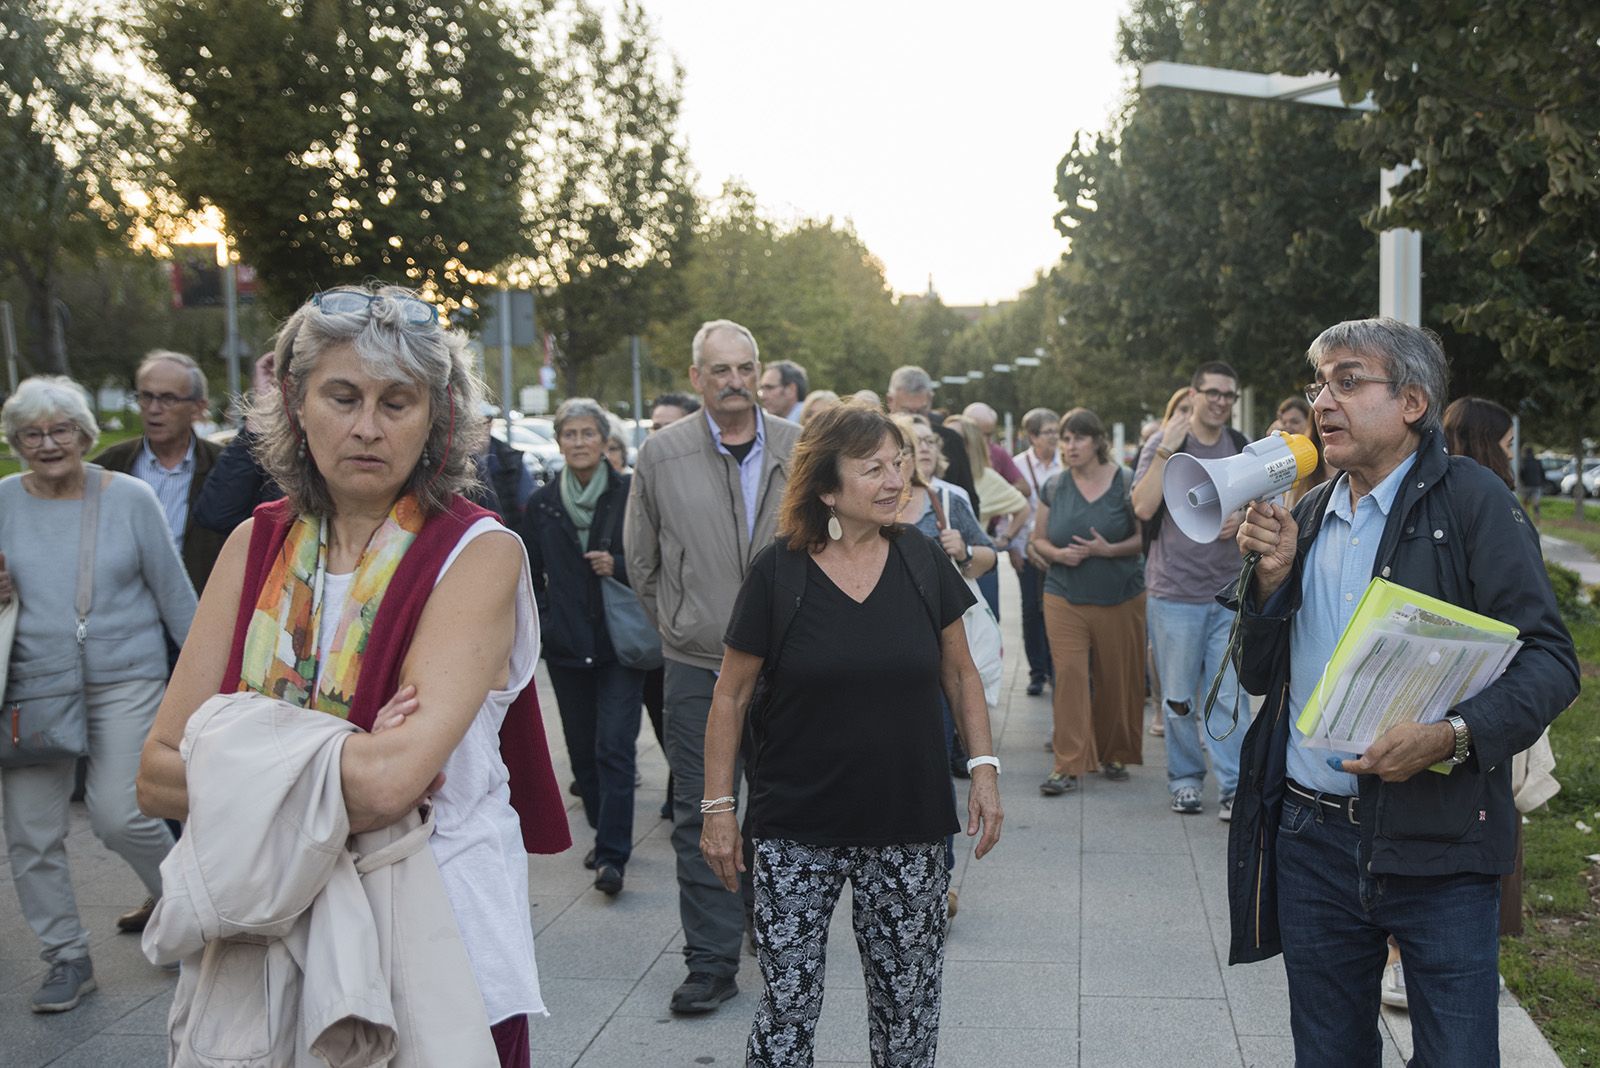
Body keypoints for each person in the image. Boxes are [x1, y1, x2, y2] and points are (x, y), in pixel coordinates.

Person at [136, 285, 569, 1067]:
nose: (368, 426)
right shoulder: (253, 545)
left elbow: (388, 787)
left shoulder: (479, 554)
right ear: (298, 404)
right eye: (343, 395)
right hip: (271, 926)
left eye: (397, 401)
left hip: (435, 931)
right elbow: (154, 776)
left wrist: (234, 738)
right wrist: (348, 749)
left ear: (437, 418)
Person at [1231, 318, 1580, 1067]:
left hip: (1441, 843)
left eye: (1348, 381)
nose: (1324, 401)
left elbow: (1552, 660)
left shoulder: (1473, 503)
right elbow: (1260, 675)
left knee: (1458, 1055)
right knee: (1328, 1055)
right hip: (1312, 838)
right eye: (1318, 383)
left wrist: (1451, 737)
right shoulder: (1313, 512)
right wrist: (1269, 581)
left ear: (1414, 401)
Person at [700, 404, 1003, 1067]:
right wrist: (718, 807)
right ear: (828, 487)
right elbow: (731, 693)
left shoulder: (922, 559)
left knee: (908, 1006)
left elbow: (960, 672)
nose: (895, 479)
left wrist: (983, 768)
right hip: (795, 826)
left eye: (899, 463)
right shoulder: (778, 572)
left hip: (909, 823)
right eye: (875, 468)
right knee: (787, 1003)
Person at [0, 375, 193, 1013]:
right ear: (16, 442)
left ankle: (181, 909)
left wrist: (206, 685)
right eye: (33, 434)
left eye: (61, 431)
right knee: (31, 833)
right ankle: (66, 957)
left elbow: (175, 594)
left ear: (85, 435)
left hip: (125, 677)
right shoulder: (1, 501)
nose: (48, 444)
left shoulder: (130, 498)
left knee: (121, 813)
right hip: (31, 687)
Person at [625, 319, 802, 1015]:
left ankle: (779, 932)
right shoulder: (661, 454)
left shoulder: (798, 447)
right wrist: (680, 626)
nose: (733, 380)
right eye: (719, 369)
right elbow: (641, 561)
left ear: (759, 374)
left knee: (785, 812)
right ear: (697, 377)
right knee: (706, 808)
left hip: (791, 669)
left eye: (744, 367)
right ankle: (710, 962)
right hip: (698, 666)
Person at [521, 398, 643, 897]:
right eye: (569, 434)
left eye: (586, 433)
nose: (578, 443)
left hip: (618, 645)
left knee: (615, 747)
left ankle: (613, 855)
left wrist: (618, 563)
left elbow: (651, 559)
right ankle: (603, 831)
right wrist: (547, 624)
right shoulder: (542, 503)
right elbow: (528, 575)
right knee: (583, 755)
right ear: (558, 442)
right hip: (568, 646)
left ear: (603, 439)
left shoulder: (628, 493)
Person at [1131, 362, 1251, 819]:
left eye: (1229, 394)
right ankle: (1184, 780)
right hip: (1174, 592)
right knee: (1179, 697)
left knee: (1228, 695)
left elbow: (1263, 504)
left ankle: (1234, 788)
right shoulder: (1164, 446)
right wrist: (1165, 449)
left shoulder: (1239, 448)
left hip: (1227, 592)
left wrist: (1241, 519)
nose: (1221, 401)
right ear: (1194, 394)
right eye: (1213, 392)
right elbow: (1142, 507)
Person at [1031, 407, 1146, 795]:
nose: (1070, 445)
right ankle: (1067, 764)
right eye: (1064, 438)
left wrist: (1108, 549)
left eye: (1078, 437)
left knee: (1117, 678)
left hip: (1120, 595)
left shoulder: (1126, 481)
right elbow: (1038, 539)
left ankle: (1114, 752)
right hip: (1063, 594)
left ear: (1098, 440)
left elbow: (1144, 539)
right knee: (1070, 677)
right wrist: (1057, 555)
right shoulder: (1054, 485)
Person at [94, 350, 226, 594]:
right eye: (146, 396)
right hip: (127, 610)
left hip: (197, 607)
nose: (154, 409)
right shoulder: (110, 465)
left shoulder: (222, 468)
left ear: (198, 408)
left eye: (168, 399)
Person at [946, 416, 1029, 620]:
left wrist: (1005, 540)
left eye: (954, 438)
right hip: (944, 571)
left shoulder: (986, 478)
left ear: (970, 444)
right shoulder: (936, 478)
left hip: (976, 568)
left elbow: (1022, 506)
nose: (945, 443)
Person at [1013, 407, 1062, 696]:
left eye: (1056, 431)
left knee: (1055, 610)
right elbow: (1011, 510)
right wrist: (1014, 548)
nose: (1054, 437)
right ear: (1032, 436)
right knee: (1031, 610)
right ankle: (1036, 671)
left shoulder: (1066, 465)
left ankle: (1057, 668)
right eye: (1048, 432)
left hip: (1058, 549)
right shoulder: (1017, 466)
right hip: (1027, 549)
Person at [885, 366, 976, 514]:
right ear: (890, 401)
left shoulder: (951, 440)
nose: (913, 418)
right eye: (906, 411)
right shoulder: (877, 440)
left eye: (921, 411)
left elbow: (970, 499)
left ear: (930, 400)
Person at [1271, 395, 1329, 504]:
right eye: (1284, 423)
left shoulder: (1327, 457)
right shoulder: (1284, 463)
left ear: (1309, 423)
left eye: (1294, 422)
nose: (1287, 427)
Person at [1516, 444, 1545, 520]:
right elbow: (1542, 473)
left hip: (1526, 485)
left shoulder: (1524, 462)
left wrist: (1523, 482)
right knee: (1536, 505)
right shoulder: (1537, 462)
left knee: (1525, 504)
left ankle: (1524, 520)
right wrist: (1541, 482)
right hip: (1537, 485)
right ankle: (1537, 523)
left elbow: (1521, 473)